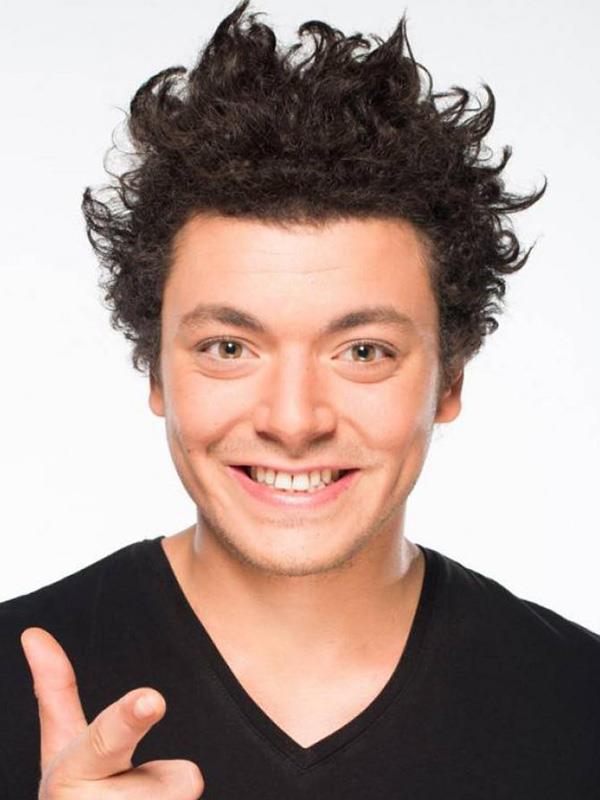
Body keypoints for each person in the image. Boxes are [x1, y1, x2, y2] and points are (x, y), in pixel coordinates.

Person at [1, 2, 598, 797]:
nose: (292, 421)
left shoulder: (579, 707)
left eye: (363, 352)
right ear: (157, 373)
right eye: (228, 348)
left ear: (450, 380)